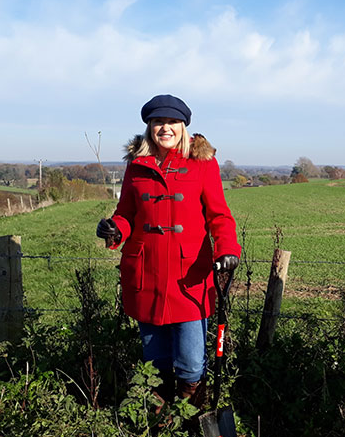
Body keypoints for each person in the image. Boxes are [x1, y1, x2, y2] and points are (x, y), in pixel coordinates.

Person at [96, 94, 241, 412]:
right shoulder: (137, 165)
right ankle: (161, 423)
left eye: (172, 122)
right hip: (146, 276)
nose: (165, 128)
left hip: (189, 278)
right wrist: (115, 229)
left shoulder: (202, 163)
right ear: (150, 127)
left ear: (183, 126)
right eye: (158, 122)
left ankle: (191, 415)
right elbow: (127, 213)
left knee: (190, 362)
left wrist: (228, 248)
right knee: (155, 361)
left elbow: (219, 215)